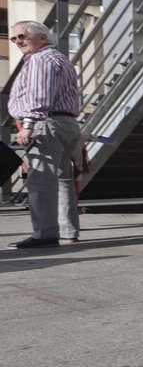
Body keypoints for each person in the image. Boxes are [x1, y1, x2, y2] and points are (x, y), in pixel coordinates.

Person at [6, 20, 81, 249]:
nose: (18, 41)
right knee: (63, 179)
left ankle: (45, 235)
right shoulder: (60, 59)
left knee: (40, 181)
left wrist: (28, 125)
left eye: (23, 36)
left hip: (46, 124)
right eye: (14, 38)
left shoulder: (40, 59)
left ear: (42, 38)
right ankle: (68, 231)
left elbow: (40, 96)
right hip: (66, 123)